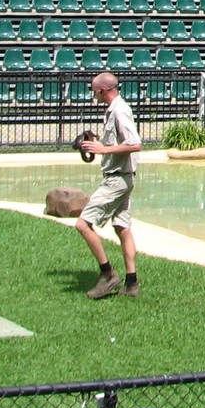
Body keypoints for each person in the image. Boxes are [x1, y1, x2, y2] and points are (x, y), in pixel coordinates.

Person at [76, 72, 144, 299]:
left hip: (117, 179)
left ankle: (107, 274)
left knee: (83, 225)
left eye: (94, 91)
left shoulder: (119, 110)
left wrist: (104, 150)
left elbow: (134, 144)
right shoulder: (114, 109)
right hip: (124, 176)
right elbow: (118, 143)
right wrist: (98, 144)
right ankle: (132, 283)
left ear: (103, 91)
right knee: (122, 228)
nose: (93, 95)